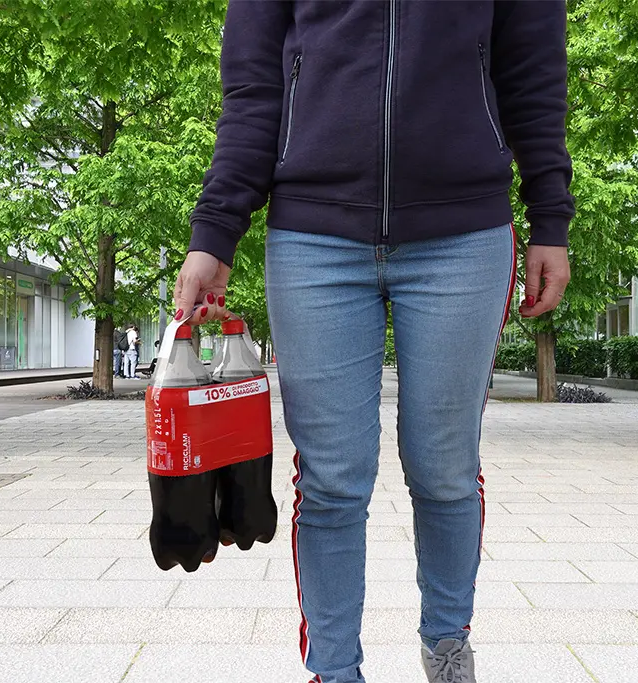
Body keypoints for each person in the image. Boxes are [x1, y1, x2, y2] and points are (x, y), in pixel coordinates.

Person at [173, 2, 574, 681]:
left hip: (464, 230)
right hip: (312, 233)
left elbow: (532, 73)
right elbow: (252, 88)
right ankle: (334, 670)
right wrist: (216, 229)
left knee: (445, 468)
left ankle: (447, 648)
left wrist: (550, 217)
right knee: (332, 478)